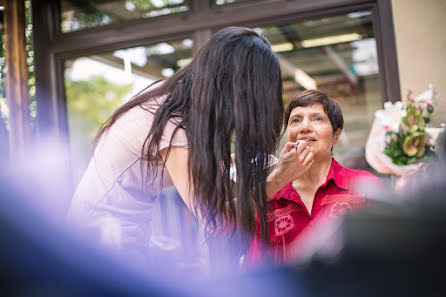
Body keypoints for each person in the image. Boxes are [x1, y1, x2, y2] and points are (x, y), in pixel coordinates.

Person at [66, 27, 313, 267]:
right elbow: (217, 222)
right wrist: (279, 178)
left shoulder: (177, 102)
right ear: (238, 90)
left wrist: (270, 173)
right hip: (97, 250)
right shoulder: (172, 124)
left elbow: (218, 194)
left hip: (117, 242)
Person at [245, 90, 381, 266]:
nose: (305, 127)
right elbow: (257, 270)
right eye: (296, 120)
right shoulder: (269, 197)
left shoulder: (363, 186)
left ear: (336, 136)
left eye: (317, 119)